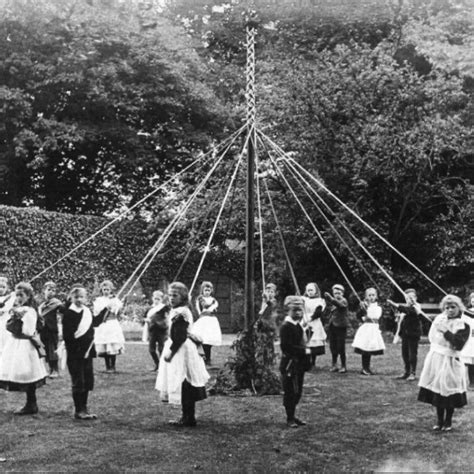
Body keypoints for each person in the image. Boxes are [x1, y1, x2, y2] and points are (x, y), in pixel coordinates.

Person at [156, 282, 209, 427]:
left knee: (184, 380)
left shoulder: (181, 312)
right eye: (170, 295)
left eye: (175, 295)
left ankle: (189, 417)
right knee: (183, 382)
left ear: (183, 296)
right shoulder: (179, 310)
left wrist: (171, 354)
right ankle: (187, 416)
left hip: (182, 350)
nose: (171, 298)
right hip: (181, 347)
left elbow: (179, 336)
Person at [418, 295, 470, 431]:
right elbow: (432, 337)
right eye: (447, 307)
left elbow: (458, 343)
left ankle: (448, 421)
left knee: (449, 388)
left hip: (451, 360)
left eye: (453, 307)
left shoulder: (463, 324)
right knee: (438, 390)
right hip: (437, 359)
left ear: (459, 307)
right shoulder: (440, 320)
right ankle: (439, 420)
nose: (450, 310)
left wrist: (446, 332)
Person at [0, 282, 48, 415]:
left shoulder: (30, 311)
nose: (19, 298)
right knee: (16, 370)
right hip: (15, 343)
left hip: (25, 345)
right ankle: (30, 403)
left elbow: (28, 331)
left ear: (28, 296)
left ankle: (31, 403)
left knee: (27, 372)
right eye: (17, 295)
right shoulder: (18, 308)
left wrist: (18, 319)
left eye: (22, 295)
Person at [62, 285, 100, 420]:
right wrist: (76, 350)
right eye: (76, 297)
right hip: (75, 353)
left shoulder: (87, 311)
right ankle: (79, 410)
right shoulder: (69, 313)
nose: (79, 299)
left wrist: (109, 308)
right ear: (71, 298)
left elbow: (96, 322)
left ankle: (84, 407)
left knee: (87, 380)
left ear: (86, 298)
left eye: (82, 297)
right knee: (79, 381)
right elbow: (68, 336)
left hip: (88, 351)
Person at [280, 295, 311, 428]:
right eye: (295, 310)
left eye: (300, 310)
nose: (298, 313)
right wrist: (304, 351)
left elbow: (301, 341)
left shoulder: (298, 326)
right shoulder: (286, 326)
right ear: (288, 311)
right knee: (291, 391)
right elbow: (286, 346)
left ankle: (293, 415)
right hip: (290, 364)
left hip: (299, 363)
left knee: (298, 391)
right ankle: (290, 418)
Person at [387, 289, 423, 381]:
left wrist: (395, 304)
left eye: (412, 297)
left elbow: (409, 310)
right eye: (408, 297)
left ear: (416, 298)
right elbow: (402, 322)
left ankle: (412, 373)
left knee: (412, 354)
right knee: (405, 354)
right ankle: (407, 372)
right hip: (405, 335)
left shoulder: (417, 307)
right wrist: (398, 334)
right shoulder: (405, 308)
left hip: (413, 334)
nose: (410, 299)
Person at [93, 280, 125, 373]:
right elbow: (97, 312)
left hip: (112, 324)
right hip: (103, 325)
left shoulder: (115, 300)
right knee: (105, 345)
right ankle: (108, 366)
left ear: (111, 290)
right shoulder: (99, 300)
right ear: (101, 290)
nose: (106, 291)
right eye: (104, 289)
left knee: (113, 344)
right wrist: (106, 306)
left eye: (108, 289)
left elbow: (118, 311)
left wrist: (116, 305)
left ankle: (113, 366)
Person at [352, 288, 385, 375]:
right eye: (369, 295)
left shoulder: (378, 307)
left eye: (373, 295)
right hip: (366, 329)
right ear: (366, 297)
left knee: (370, 348)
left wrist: (367, 310)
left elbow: (377, 316)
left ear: (376, 296)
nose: (371, 297)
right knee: (365, 348)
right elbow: (359, 316)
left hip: (373, 329)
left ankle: (367, 367)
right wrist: (363, 309)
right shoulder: (364, 306)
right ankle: (364, 368)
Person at [38, 281, 63, 378]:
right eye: (49, 290)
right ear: (44, 291)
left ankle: (55, 369)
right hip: (43, 330)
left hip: (52, 329)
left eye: (53, 290)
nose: (51, 292)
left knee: (53, 349)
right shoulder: (42, 304)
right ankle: (50, 369)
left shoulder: (56, 303)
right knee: (46, 350)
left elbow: (63, 310)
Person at [193, 281, 222, 365]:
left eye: (209, 290)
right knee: (200, 339)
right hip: (203, 320)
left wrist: (211, 309)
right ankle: (202, 355)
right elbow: (198, 309)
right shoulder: (200, 299)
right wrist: (201, 314)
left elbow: (214, 306)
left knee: (209, 340)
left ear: (211, 291)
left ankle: (207, 358)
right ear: (202, 290)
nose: (207, 292)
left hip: (211, 321)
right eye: (205, 290)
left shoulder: (213, 300)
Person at [324, 284, 349, 373]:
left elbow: (341, 306)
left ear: (342, 293)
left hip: (341, 327)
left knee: (341, 347)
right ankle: (334, 364)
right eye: (335, 293)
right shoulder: (333, 303)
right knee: (333, 346)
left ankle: (343, 365)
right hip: (333, 326)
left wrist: (331, 299)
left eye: (339, 293)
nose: (337, 295)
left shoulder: (343, 301)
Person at [144, 290, 170, 371]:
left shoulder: (164, 308)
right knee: (151, 349)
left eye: (158, 299)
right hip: (152, 330)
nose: (156, 300)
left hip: (161, 330)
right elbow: (145, 317)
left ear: (161, 299)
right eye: (155, 298)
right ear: (152, 298)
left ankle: (162, 366)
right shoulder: (150, 308)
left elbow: (167, 317)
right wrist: (147, 320)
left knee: (161, 348)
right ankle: (157, 363)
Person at [302, 282, 326, 367]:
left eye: (311, 290)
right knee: (306, 342)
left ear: (316, 291)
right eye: (308, 290)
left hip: (314, 322)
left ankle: (313, 361)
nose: (310, 292)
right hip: (304, 320)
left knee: (313, 342)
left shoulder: (319, 301)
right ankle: (306, 360)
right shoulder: (304, 299)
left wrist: (310, 319)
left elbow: (318, 312)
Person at [461, 292, 474, 387]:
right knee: (471, 360)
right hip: (471, 339)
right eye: (472, 299)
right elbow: (463, 325)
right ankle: (472, 382)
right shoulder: (467, 312)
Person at [0, 276, 16, 357]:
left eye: (3, 287)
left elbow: (8, 307)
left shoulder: (10, 298)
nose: (1, 289)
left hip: (5, 325)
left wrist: (12, 295)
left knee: (6, 343)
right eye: (0, 287)